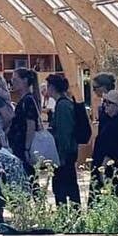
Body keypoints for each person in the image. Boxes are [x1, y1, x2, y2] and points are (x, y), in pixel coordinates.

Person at [45, 73, 82, 206]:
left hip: (64, 154)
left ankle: (71, 216)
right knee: (65, 187)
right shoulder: (62, 104)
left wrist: (62, 155)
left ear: (52, 87)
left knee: (64, 188)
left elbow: (65, 132)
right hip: (64, 153)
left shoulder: (63, 106)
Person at [6, 68, 43, 173]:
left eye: (16, 79)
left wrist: (27, 148)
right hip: (18, 145)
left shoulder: (28, 100)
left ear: (25, 81)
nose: (13, 82)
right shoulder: (24, 100)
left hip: (23, 147)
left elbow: (30, 126)